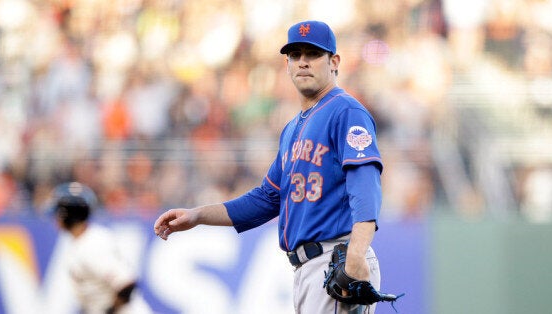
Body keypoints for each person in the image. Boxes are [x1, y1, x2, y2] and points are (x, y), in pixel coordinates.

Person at [154, 20, 385, 314]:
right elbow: (267, 198)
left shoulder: (345, 110)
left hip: (336, 257)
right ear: (286, 65)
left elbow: (366, 183)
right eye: (295, 55)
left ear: (334, 61)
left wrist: (356, 255)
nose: (302, 62)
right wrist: (198, 215)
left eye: (312, 54)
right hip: (308, 269)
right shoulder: (292, 128)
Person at [51, 181, 151, 314]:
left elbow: (126, 284)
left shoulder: (92, 244)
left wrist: (109, 311)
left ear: (67, 214)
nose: (55, 218)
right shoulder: (83, 240)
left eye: (58, 213)